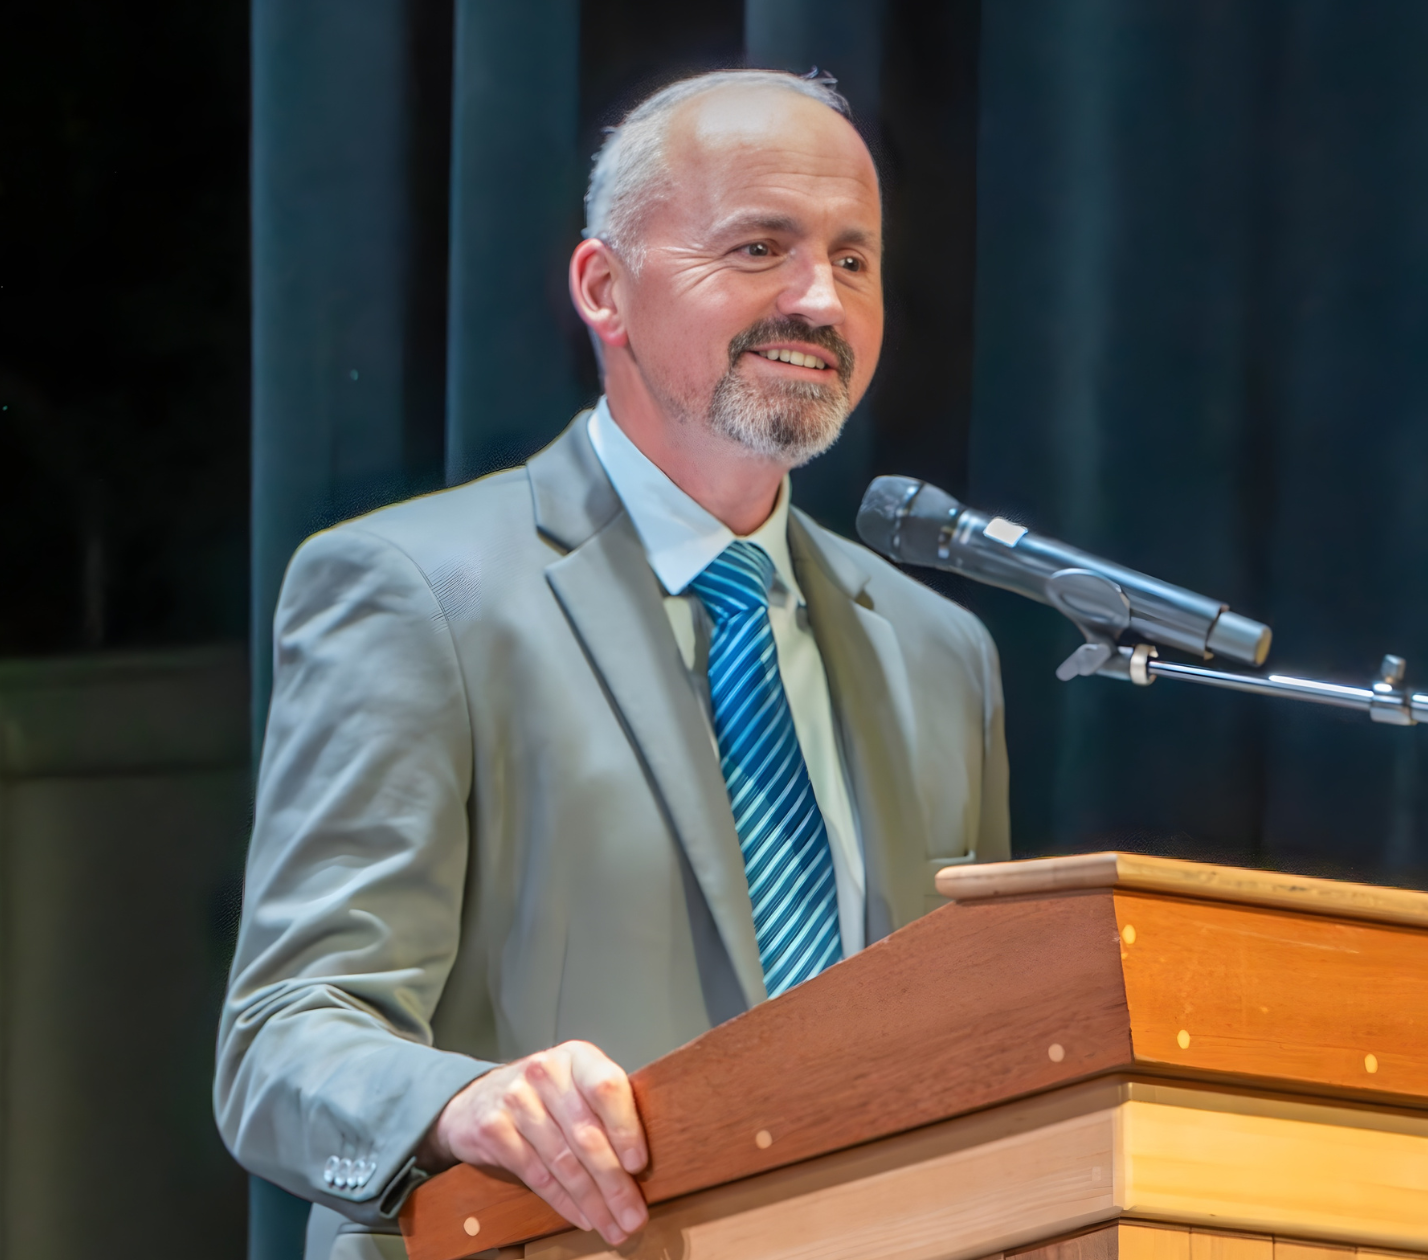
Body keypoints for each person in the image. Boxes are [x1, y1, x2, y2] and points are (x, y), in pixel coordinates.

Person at [215, 69, 1009, 1260]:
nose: (819, 300)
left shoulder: (942, 654)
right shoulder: (415, 592)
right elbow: (284, 1042)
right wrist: (459, 1103)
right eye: (758, 248)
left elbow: (981, 1057)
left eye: (854, 260)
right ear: (605, 289)